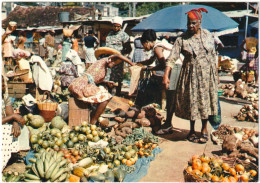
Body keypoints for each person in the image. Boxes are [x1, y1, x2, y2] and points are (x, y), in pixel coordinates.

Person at [163, 8, 218, 143]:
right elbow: (171, 58)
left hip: (207, 75)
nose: (190, 26)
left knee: (205, 102)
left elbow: (212, 55)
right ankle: (192, 130)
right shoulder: (182, 39)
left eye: (193, 23)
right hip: (190, 75)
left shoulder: (207, 35)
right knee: (192, 102)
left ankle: (204, 129)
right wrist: (166, 75)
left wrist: (215, 74)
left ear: (199, 22)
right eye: (189, 23)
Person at [69, 53, 134, 125]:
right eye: (114, 63)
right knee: (106, 97)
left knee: (103, 92)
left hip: (84, 84)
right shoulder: (103, 61)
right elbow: (118, 55)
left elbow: (95, 79)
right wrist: (132, 64)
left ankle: (94, 117)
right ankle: (94, 121)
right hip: (81, 85)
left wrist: (106, 82)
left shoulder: (103, 67)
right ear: (111, 60)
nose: (113, 65)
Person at [2, 74, 29, 170]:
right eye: (1, 85)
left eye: (3, 84)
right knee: (5, 131)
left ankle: (15, 155)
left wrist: (15, 122)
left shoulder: (4, 97)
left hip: (4, 122)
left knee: (23, 127)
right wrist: (14, 116)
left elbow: (10, 113)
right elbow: (11, 116)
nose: (3, 86)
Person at [105, 16, 132, 96]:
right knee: (109, 77)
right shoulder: (109, 34)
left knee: (118, 77)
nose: (116, 28)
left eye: (118, 26)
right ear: (112, 25)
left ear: (121, 26)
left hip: (118, 59)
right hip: (109, 58)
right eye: (114, 26)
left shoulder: (124, 35)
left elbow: (128, 49)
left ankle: (118, 94)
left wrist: (121, 55)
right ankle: (108, 94)